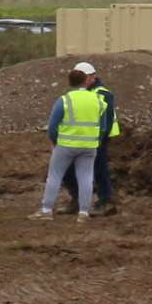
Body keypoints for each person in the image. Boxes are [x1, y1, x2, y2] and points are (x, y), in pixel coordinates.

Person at [31, 69, 105, 221]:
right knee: (86, 177)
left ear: (70, 82)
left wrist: (55, 141)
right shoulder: (98, 99)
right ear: (86, 80)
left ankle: (46, 210)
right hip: (89, 145)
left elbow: (52, 126)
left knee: (55, 176)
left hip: (65, 145)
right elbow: (103, 126)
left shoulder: (65, 100)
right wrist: (95, 140)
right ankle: (83, 213)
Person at [59, 62, 118, 214]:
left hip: (98, 139)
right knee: (68, 168)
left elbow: (107, 120)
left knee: (99, 168)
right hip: (80, 137)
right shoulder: (81, 91)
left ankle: (106, 201)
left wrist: (99, 140)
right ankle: (78, 199)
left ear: (92, 77)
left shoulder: (103, 93)